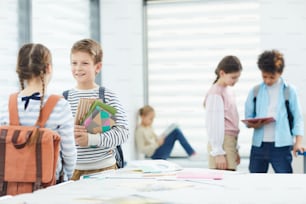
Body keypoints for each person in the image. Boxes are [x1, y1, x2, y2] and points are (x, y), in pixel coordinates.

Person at [0, 43, 77, 182]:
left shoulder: (6, 105)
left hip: (9, 189)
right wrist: (72, 179)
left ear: (20, 71)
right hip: (49, 188)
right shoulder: (60, 105)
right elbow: (69, 153)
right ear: (48, 68)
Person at [63, 38, 129, 180]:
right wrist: (69, 135)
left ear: (97, 67)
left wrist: (92, 139)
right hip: (73, 172)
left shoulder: (107, 96)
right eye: (74, 63)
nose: (78, 68)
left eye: (85, 63)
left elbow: (123, 132)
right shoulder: (64, 99)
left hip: (105, 169)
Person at [244, 49, 304, 173]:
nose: (267, 80)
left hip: (281, 146)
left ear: (280, 73)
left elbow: (298, 118)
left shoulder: (289, 91)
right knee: (254, 182)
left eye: (272, 77)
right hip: (258, 146)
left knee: (285, 181)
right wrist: (253, 124)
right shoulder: (255, 91)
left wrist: (298, 143)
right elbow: (248, 117)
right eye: (264, 76)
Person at [203, 55, 242, 171]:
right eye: (233, 77)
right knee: (223, 182)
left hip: (229, 143)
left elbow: (232, 120)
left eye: (237, 78)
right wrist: (218, 152)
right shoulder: (215, 93)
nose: (235, 81)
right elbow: (213, 125)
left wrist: (236, 150)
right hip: (221, 143)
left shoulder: (229, 90)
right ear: (222, 73)